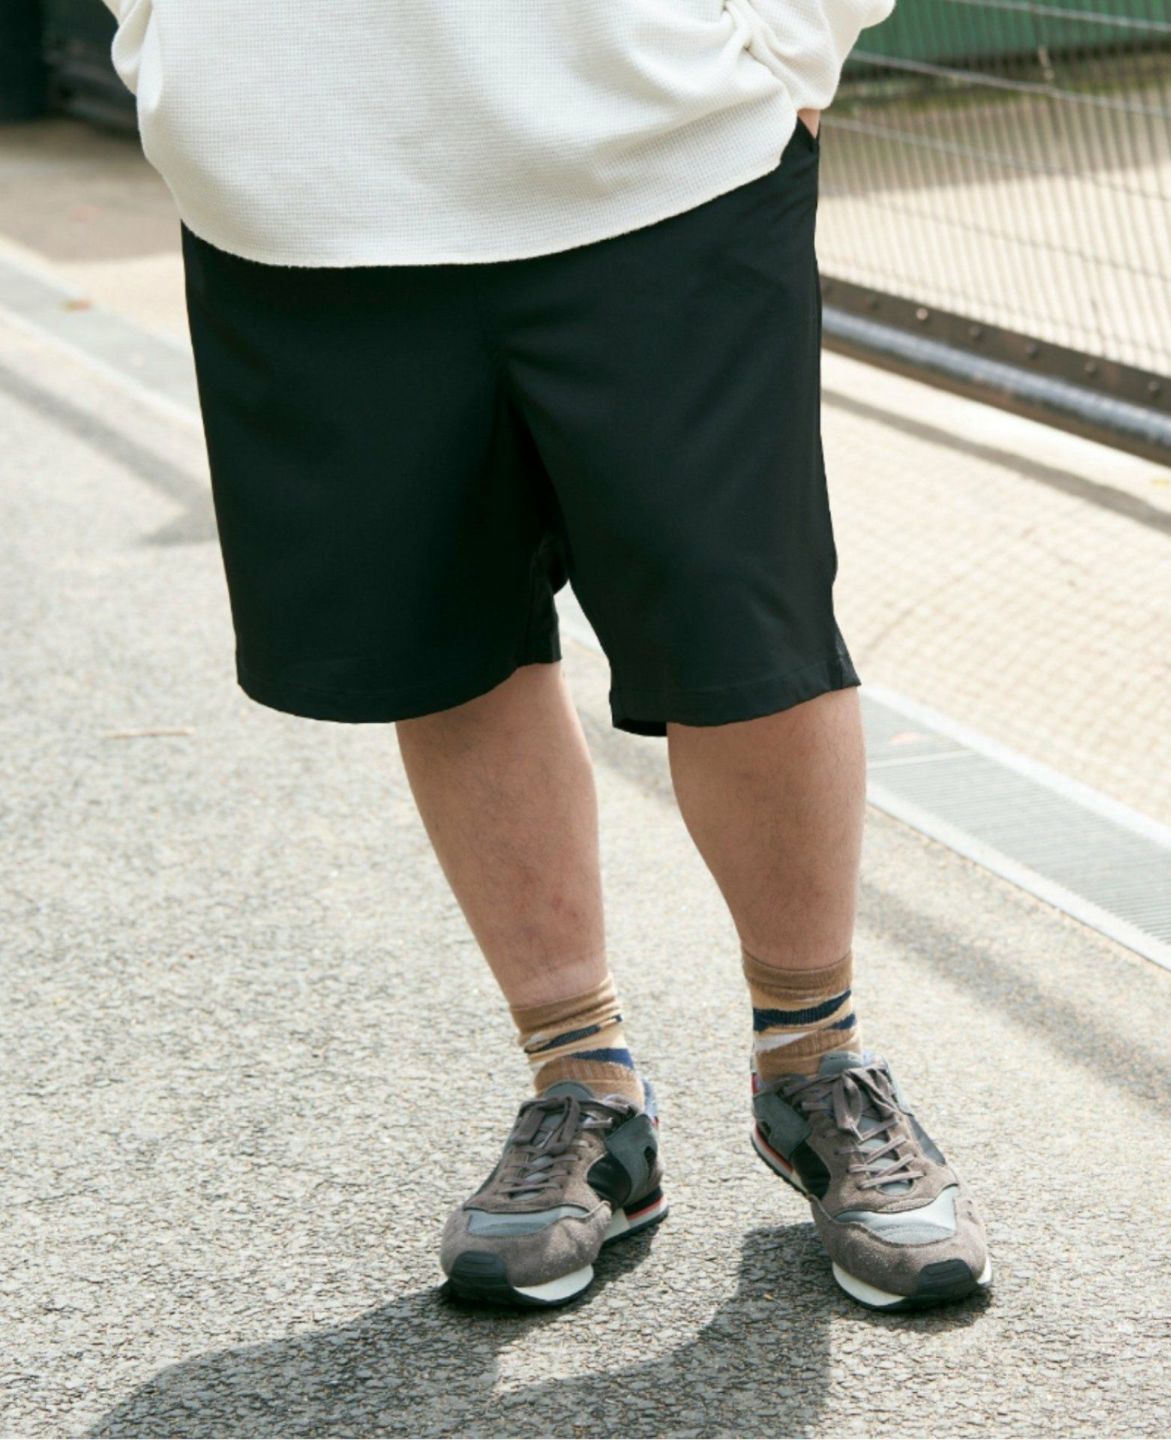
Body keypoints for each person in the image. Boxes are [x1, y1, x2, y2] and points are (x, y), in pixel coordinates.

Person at [102, 0, 991, 1312]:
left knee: (746, 630)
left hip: (660, 147)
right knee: (447, 643)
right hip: (300, 184)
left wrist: (793, 44)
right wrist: (171, 53)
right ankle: (585, 1089)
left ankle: (816, 1063)